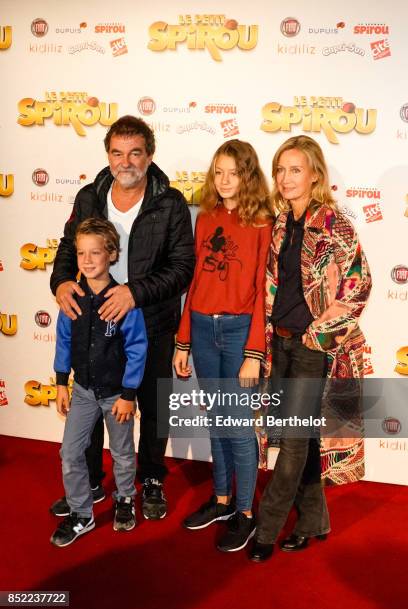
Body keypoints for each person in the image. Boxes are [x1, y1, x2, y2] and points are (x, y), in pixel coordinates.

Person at [50, 115, 195, 521]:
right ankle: (93, 481)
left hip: (150, 320)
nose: (125, 161)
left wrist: (133, 293)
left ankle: (150, 479)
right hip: (94, 319)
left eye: (135, 153)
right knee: (93, 401)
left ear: (149, 155)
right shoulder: (88, 197)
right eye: (117, 153)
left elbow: (182, 268)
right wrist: (61, 282)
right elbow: (66, 249)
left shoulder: (170, 202)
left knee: (151, 405)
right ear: (108, 155)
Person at [250, 135, 372, 562]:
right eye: (280, 170)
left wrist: (321, 332)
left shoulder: (334, 224)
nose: (285, 178)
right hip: (279, 343)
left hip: (311, 348)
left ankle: (265, 530)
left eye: (295, 170)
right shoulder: (281, 222)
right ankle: (313, 521)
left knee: (294, 442)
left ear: (315, 174)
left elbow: (359, 283)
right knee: (303, 438)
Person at [174, 139, 273, 553]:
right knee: (216, 420)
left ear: (248, 175)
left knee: (237, 426)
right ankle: (221, 499)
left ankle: (247, 512)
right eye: (219, 172)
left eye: (234, 172)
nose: (225, 180)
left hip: (237, 331)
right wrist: (182, 340)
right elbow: (196, 281)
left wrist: (254, 353)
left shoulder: (264, 222)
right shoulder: (206, 217)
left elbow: (260, 291)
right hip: (200, 327)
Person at [50, 219, 147, 547]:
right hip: (83, 392)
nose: (87, 260)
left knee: (121, 452)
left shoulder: (122, 301)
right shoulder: (71, 297)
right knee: (70, 453)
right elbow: (63, 342)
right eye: (81, 253)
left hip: (117, 394)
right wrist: (62, 383)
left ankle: (124, 499)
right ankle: (81, 513)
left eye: (95, 253)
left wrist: (129, 394)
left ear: (112, 255)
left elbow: (137, 349)